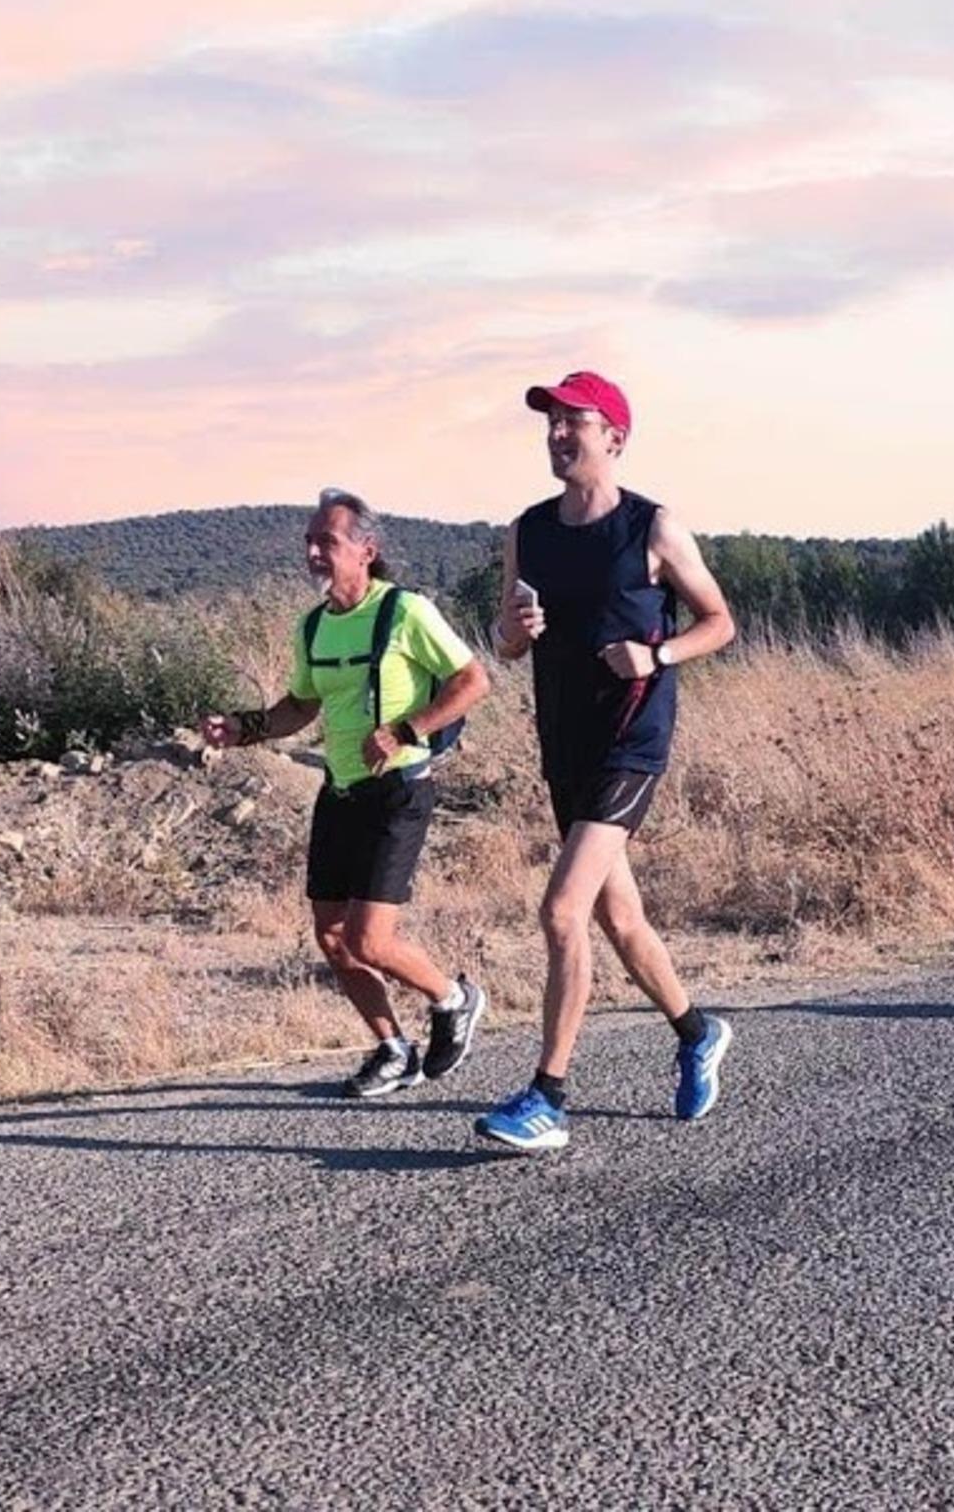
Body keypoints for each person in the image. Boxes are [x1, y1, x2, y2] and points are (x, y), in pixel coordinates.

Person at [475, 371, 737, 1153]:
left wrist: (658, 654)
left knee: (562, 910)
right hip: (566, 742)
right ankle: (696, 1031)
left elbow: (719, 621)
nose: (557, 434)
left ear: (614, 438)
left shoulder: (652, 528)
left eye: (574, 422)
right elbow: (506, 643)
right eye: (551, 423)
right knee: (618, 919)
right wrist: (515, 630)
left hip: (632, 741)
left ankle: (548, 1098)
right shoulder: (527, 530)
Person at [203, 488, 491, 1098]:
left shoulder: (405, 611)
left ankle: (454, 999)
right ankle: (393, 1050)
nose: (313, 552)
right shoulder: (313, 626)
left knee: (369, 940)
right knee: (332, 936)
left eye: (326, 542)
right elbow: (301, 706)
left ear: (367, 550)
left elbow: (473, 680)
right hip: (339, 794)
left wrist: (407, 730)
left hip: (399, 792)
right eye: (309, 542)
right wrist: (244, 728)